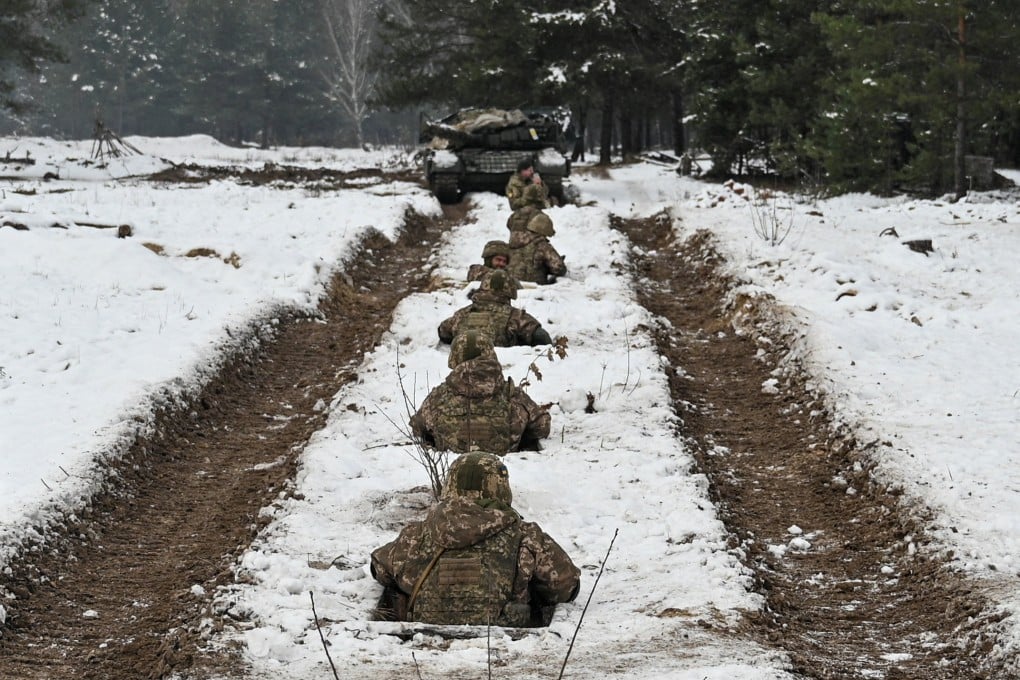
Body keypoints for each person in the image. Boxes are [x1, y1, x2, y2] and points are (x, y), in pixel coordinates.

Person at [370, 452, 581, 626]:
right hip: (504, 644)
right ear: (500, 486)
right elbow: (566, 586)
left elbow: (379, 569)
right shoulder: (526, 536)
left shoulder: (417, 534)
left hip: (424, 643)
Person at [411, 332, 551, 455]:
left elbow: (417, 427)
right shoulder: (513, 395)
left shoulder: (438, 397)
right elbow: (542, 426)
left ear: (455, 359)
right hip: (504, 473)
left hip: (452, 473)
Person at [438, 270, 552, 347]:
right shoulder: (515, 316)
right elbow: (541, 336)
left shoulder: (462, 314)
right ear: (510, 290)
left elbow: (443, 332)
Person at [506, 212, 567, 285]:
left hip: (512, 284)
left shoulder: (513, 243)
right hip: (535, 288)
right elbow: (559, 268)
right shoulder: (542, 245)